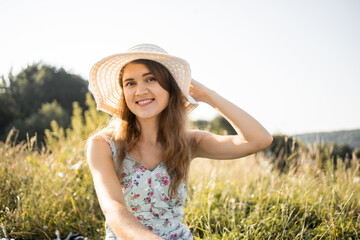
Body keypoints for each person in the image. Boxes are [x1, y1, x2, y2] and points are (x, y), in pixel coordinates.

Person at [86, 44, 273, 240]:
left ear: (170, 87)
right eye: (130, 83)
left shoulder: (189, 142)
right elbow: (113, 209)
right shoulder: (103, 144)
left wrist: (208, 96)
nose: (140, 90)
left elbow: (259, 139)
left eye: (151, 79)